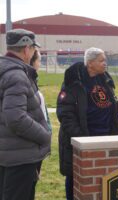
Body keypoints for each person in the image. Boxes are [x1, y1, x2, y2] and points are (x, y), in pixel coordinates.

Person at [56, 47, 118, 200]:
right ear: (90, 63)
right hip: (84, 140)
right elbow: (65, 114)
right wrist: (82, 139)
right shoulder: (73, 82)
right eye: (101, 60)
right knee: (76, 178)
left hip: (105, 139)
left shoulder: (103, 79)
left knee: (102, 178)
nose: (105, 63)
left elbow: (106, 102)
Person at [0, 29, 51, 200]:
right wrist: (44, 135)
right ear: (27, 49)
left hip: (8, 154)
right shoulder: (16, 75)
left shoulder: (6, 70)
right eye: (34, 49)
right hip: (19, 158)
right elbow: (15, 118)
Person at [29, 49, 52, 200]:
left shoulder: (32, 82)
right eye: (39, 60)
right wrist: (44, 135)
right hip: (30, 148)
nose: (40, 63)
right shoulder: (24, 83)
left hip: (37, 146)